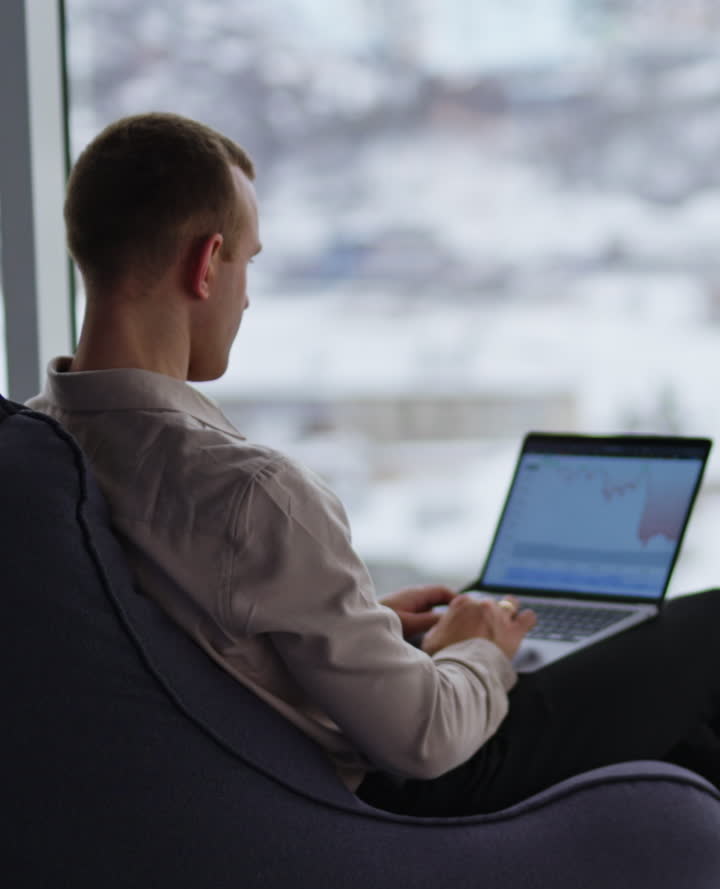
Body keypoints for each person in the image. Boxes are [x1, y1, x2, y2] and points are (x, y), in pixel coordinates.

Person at [28, 112, 720, 817]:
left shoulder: (35, 449)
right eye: (249, 262)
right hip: (396, 791)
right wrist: (479, 649)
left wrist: (358, 625)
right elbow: (427, 739)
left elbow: (198, 633)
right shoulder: (248, 492)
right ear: (207, 265)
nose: (248, 292)